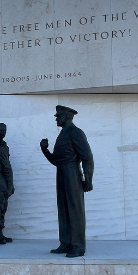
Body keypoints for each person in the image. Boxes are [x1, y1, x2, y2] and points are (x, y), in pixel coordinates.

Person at [41, 105, 94, 258]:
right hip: (62, 172)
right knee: (63, 208)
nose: (56, 118)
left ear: (67, 116)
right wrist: (45, 150)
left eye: (59, 115)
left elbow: (87, 156)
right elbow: (58, 161)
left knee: (75, 209)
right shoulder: (63, 133)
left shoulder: (75, 132)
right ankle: (66, 242)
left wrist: (88, 179)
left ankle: (77, 246)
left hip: (72, 174)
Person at [0, 123, 13, 243]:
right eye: (0, 130)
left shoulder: (5, 146)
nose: (3, 132)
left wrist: (10, 184)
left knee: (2, 209)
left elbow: (7, 167)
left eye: (4, 130)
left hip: (3, 181)